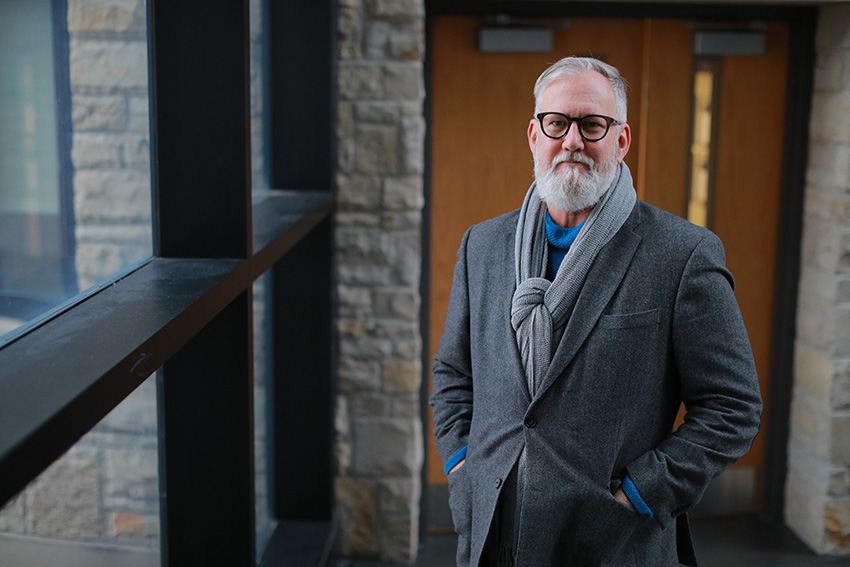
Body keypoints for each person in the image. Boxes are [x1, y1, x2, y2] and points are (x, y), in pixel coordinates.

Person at [429, 56, 762, 567]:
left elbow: (733, 407)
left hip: (611, 541)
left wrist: (639, 493)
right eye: (557, 122)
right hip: (491, 530)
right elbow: (453, 372)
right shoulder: (483, 245)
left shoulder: (681, 254)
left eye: (593, 124)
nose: (573, 141)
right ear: (534, 135)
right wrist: (462, 465)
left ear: (621, 140)